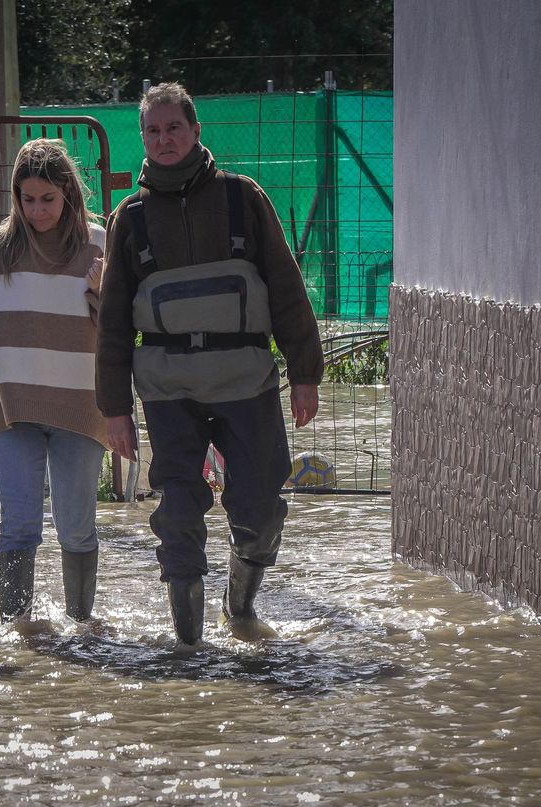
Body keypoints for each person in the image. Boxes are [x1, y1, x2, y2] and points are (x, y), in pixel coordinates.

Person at [95, 83, 323, 648]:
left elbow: (287, 290)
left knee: (260, 507)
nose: (165, 138)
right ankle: (188, 648)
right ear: (143, 138)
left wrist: (305, 373)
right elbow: (114, 322)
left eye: (175, 127)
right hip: (167, 387)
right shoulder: (130, 218)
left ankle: (239, 608)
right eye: (154, 130)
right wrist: (114, 410)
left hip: (246, 379)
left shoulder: (244, 198)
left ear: (196, 131)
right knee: (177, 511)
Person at [0, 138, 109, 628]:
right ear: (15, 197)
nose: (37, 209)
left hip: (82, 408)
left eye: (48, 198)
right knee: (17, 525)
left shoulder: (99, 245)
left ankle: (83, 629)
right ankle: (18, 633)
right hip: (12, 406)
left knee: (76, 528)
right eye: (27, 198)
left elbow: (120, 330)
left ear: (68, 194)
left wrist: (102, 294)